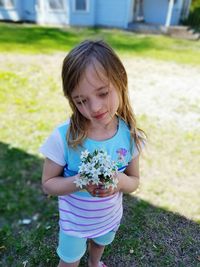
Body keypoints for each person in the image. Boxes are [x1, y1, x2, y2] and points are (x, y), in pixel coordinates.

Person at [40, 40, 146, 267]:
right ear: (72, 101)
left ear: (121, 82)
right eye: (81, 101)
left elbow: (134, 181)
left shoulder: (130, 136)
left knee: (99, 245)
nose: (95, 107)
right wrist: (81, 181)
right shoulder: (63, 138)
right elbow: (48, 184)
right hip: (74, 223)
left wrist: (119, 181)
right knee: (69, 260)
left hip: (108, 218)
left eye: (103, 93)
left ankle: (94, 263)